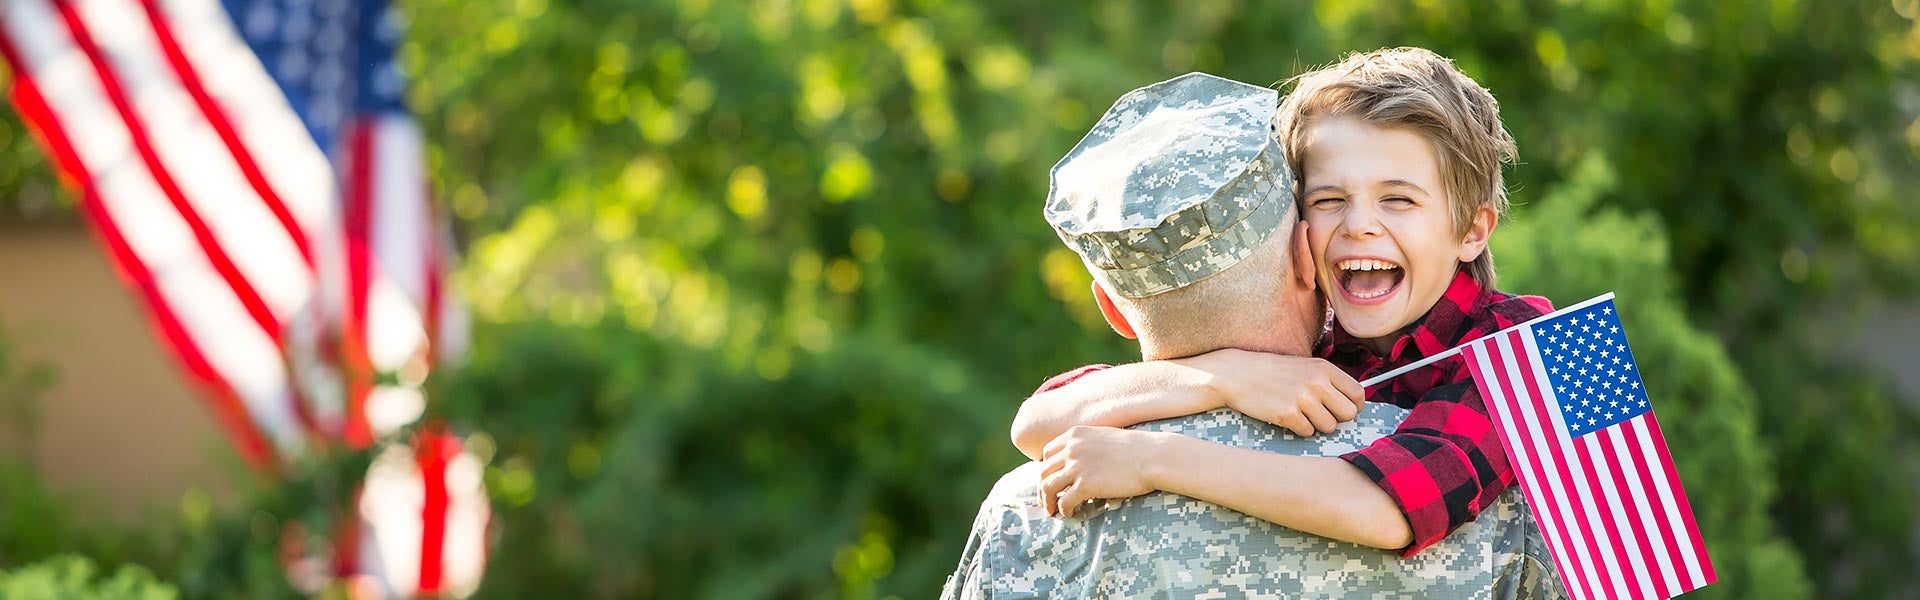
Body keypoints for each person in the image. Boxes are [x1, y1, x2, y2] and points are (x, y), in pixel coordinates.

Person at [941, 71, 1561, 599]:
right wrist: (1223, 378)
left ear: (1472, 230)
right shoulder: (1328, 333)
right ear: (1299, 237)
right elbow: (1039, 422)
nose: (1360, 226)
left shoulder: (1521, 349)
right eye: (1328, 199)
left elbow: (1390, 506)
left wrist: (1155, 459)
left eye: (1398, 199)